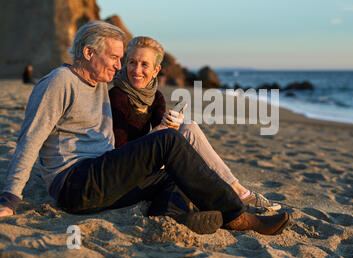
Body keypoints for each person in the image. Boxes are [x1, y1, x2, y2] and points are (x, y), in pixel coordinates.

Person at [0, 20, 290, 236]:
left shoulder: (99, 84)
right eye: (115, 58)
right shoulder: (59, 82)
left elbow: (141, 94)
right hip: (75, 183)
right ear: (89, 53)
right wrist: (10, 199)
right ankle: (240, 218)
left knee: (182, 170)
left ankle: (171, 216)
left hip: (103, 178)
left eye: (120, 59)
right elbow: (30, 140)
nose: (119, 67)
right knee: (168, 142)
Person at [109, 36, 281, 213]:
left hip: (147, 160)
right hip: (124, 168)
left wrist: (171, 125)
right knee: (184, 132)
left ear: (155, 70)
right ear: (125, 63)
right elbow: (120, 149)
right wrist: (161, 131)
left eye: (144, 64)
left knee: (187, 127)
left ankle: (236, 191)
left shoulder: (155, 97)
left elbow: (165, 135)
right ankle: (240, 194)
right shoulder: (117, 96)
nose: (136, 70)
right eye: (132, 62)